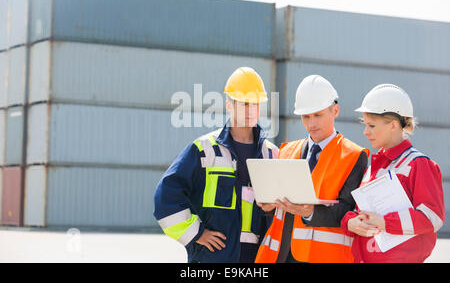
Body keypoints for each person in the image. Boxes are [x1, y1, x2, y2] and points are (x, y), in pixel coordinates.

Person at [154, 67, 279, 263]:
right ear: (229, 105)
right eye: (244, 104)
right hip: (214, 258)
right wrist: (196, 234)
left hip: (258, 257)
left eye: (255, 104)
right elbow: (166, 196)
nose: (251, 110)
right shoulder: (204, 149)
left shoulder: (271, 153)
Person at [255, 74, 369, 263]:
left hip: (322, 257)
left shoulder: (354, 155)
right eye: (306, 116)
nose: (311, 123)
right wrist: (268, 205)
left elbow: (349, 210)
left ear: (335, 110)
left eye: (318, 115)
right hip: (280, 255)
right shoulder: (287, 151)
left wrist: (310, 212)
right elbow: (278, 207)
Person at [341, 83, 445, 263]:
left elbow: (432, 217)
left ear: (393, 125)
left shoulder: (419, 164)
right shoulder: (372, 167)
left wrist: (385, 222)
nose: (366, 132)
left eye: (371, 125)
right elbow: (359, 212)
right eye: (365, 125)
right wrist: (350, 223)